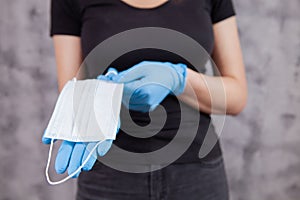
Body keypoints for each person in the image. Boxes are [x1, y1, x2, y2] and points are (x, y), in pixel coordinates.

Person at [43, 0, 247, 199]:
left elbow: (236, 96)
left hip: (196, 171)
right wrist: (101, 93)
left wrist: (178, 79)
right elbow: (71, 92)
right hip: (108, 175)